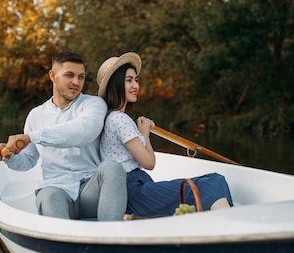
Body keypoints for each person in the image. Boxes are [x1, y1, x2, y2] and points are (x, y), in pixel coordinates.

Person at [0, 52, 127, 221]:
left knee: (113, 167)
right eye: (69, 75)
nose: (76, 82)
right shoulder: (35, 115)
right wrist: (8, 155)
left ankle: (111, 237)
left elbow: (82, 132)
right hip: (56, 189)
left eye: (81, 77)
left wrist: (31, 137)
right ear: (53, 76)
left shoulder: (94, 104)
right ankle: (62, 243)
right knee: (49, 195)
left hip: (90, 192)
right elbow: (28, 160)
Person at [96, 52, 233, 217]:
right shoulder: (119, 119)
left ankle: (222, 226)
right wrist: (145, 134)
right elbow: (149, 163)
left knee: (216, 180)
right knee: (214, 182)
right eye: (129, 80)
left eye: (136, 80)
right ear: (115, 84)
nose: (136, 86)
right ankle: (227, 229)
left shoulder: (111, 118)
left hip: (133, 189)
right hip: (133, 192)